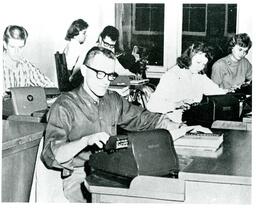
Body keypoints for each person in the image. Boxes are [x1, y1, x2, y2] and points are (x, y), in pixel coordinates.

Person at [41, 46, 211, 202]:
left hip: (112, 168)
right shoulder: (64, 105)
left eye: (110, 75)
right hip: (80, 175)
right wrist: (85, 141)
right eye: (100, 73)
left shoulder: (113, 99)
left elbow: (147, 119)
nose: (106, 81)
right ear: (84, 71)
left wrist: (183, 128)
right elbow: (52, 155)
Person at [146, 42, 228, 117]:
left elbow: (217, 92)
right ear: (188, 58)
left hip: (191, 119)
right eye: (198, 62)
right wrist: (176, 105)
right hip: (171, 120)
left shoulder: (199, 76)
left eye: (204, 64)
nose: (200, 67)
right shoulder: (172, 76)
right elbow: (152, 105)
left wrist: (230, 92)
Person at [3, 25, 55, 94]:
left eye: (20, 47)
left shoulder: (26, 66)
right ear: (5, 45)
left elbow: (50, 86)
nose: (17, 52)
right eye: (12, 47)